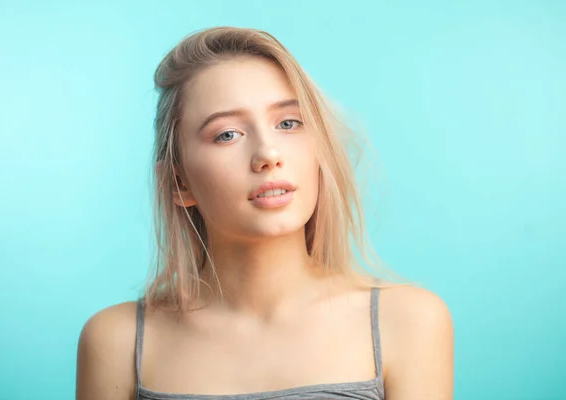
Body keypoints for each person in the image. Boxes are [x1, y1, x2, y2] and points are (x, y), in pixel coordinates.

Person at [75, 27, 454, 400]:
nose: (268, 154)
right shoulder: (115, 343)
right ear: (180, 182)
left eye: (288, 123)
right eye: (227, 134)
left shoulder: (409, 322)